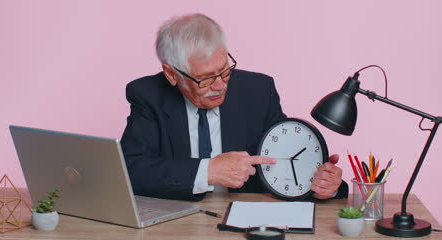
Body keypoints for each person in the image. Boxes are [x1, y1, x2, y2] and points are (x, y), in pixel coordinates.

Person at [120, 13, 348, 201]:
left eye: (225, 70)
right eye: (205, 78)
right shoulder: (147, 95)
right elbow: (130, 170)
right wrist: (207, 171)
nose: (219, 85)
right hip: (178, 220)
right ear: (171, 74)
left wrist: (325, 185)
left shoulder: (259, 90)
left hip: (247, 218)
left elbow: (284, 163)